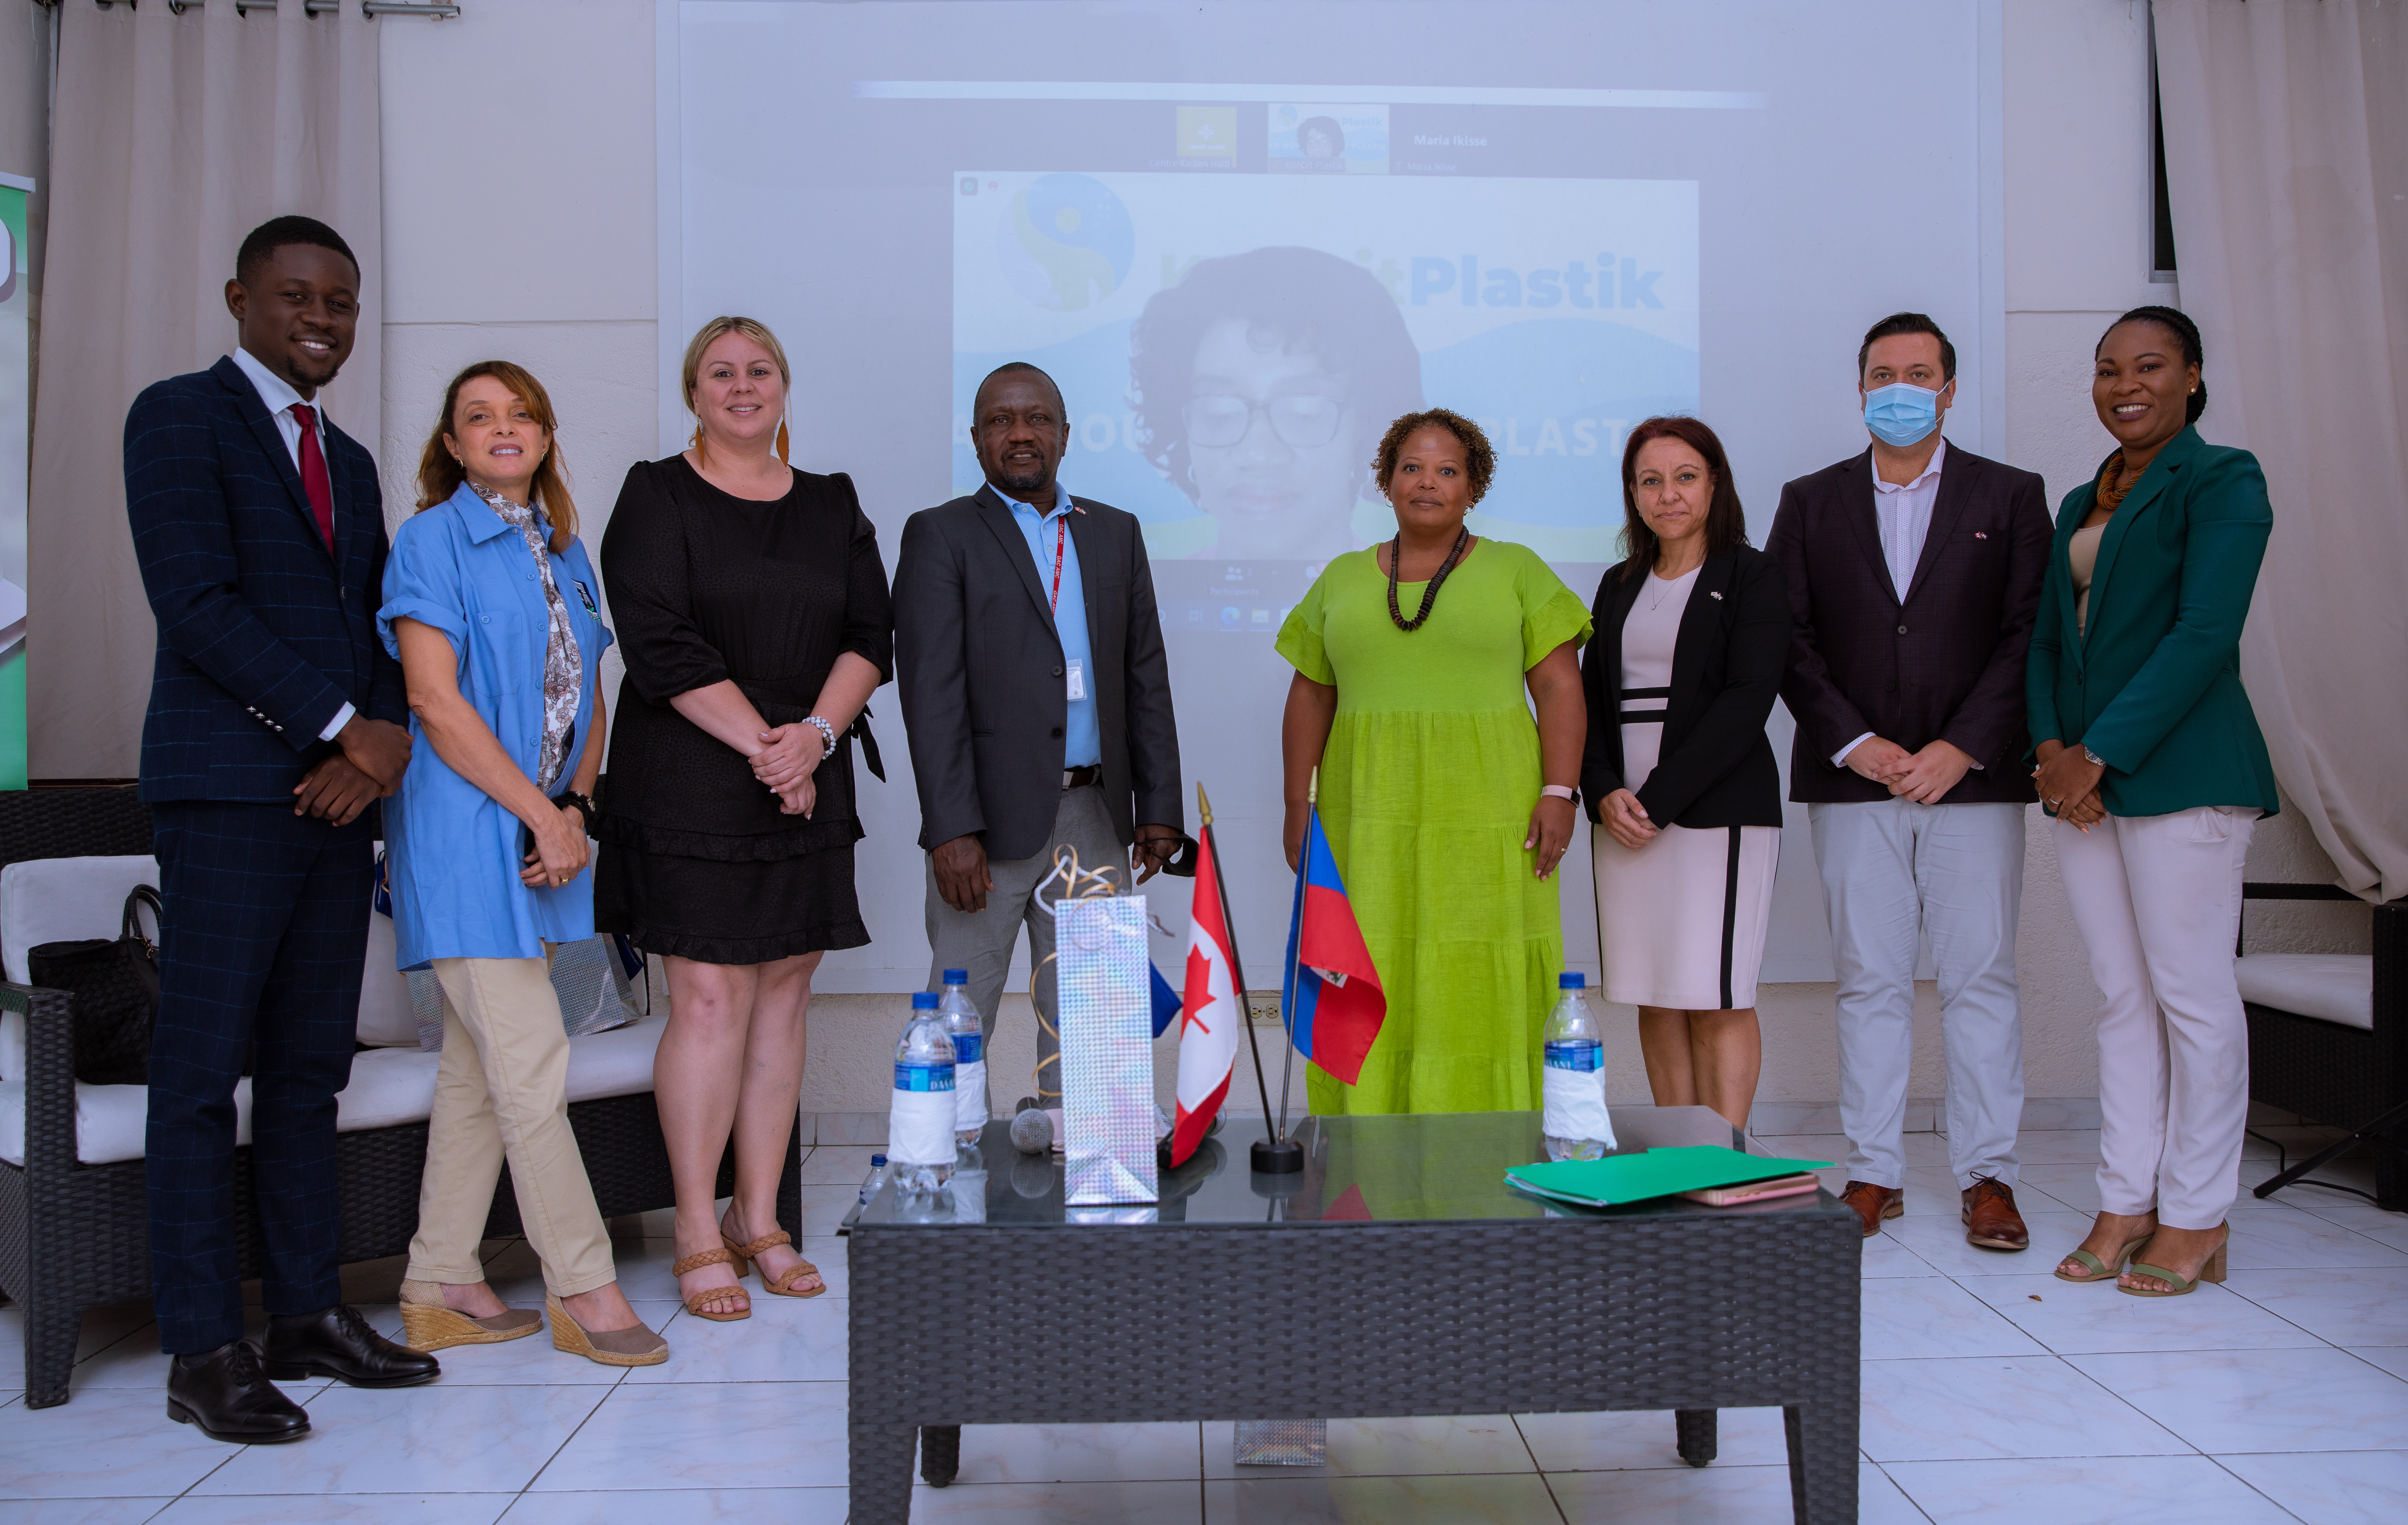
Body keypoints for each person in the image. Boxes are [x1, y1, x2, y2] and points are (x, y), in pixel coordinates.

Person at [125, 215, 437, 1443]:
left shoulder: (350, 458)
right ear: (241, 297)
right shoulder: (176, 417)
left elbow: (379, 619)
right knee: (201, 1078)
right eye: (300, 296)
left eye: (343, 303)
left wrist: (378, 741)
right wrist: (336, 727)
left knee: (311, 1072)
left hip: (334, 805)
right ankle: (202, 1346)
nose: (324, 319)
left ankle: (306, 1312)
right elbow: (193, 602)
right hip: (225, 797)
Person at [595, 316, 891, 1321]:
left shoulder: (832, 502)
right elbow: (658, 642)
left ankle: (756, 1216)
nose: (741, 384)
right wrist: (770, 745)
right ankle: (691, 1221)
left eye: (759, 368)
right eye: (720, 372)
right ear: (693, 393)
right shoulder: (654, 493)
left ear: (784, 386)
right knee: (711, 997)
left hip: (808, 767)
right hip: (689, 776)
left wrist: (811, 734)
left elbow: (869, 633)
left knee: (782, 997)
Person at [380, 362, 666, 1366]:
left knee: (476, 1070)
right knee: (534, 1068)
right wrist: (538, 814)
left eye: (522, 414)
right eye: (479, 417)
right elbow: (436, 702)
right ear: (452, 446)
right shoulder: (429, 541)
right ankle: (582, 1285)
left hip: (551, 839)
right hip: (466, 845)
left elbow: (590, 692)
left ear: (544, 435)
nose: (504, 428)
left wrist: (575, 807)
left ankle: (440, 1278)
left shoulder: (567, 550)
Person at [1766, 312, 2054, 1248]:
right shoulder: (1809, 500)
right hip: (1855, 783)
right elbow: (1788, 639)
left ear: (1949, 388)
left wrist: (1959, 746)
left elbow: (2029, 633)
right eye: (1883, 373)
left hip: (1972, 781)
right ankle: (1874, 1171)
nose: (1900, 387)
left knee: (1980, 981)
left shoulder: (2010, 494)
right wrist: (1857, 742)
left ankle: (1988, 1177)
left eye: (1919, 372)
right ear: (1859, 389)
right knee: (1869, 982)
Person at [2030, 306, 2278, 1297]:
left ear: (2191, 376)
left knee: (2192, 998)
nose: (2123, 383)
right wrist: (2052, 752)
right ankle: (2124, 1197)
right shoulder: (2080, 499)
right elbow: (2052, 638)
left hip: (2184, 777)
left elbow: (2203, 633)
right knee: (2121, 998)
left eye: (2147, 365)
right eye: (2105, 368)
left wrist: (2098, 753)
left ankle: (2196, 1212)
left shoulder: (2223, 479)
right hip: (2086, 783)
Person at [1277, 408, 1591, 1114]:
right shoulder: (1341, 578)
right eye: (1411, 467)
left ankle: (1495, 1133)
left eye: (1448, 470)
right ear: (1385, 482)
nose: (1428, 483)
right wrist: (1298, 804)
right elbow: (1310, 695)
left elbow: (1560, 687)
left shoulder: (1518, 570)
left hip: (1495, 818)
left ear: (1473, 486)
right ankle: (1365, 1137)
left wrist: (1560, 792)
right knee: (1373, 962)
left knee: (1481, 964)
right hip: (1366, 818)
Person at [895, 362, 1185, 1117]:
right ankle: (952, 1167)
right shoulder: (941, 534)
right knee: (962, 1019)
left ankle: (1084, 1162)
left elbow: (1143, 675)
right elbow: (931, 695)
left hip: (1093, 817)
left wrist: (1157, 807)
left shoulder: (1114, 532)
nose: (1019, 434)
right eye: (1000, 420)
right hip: (982, 829)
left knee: (1093, 1016)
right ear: (976, 438)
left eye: (1035, 419)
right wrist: (950, 827)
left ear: (1063, 434)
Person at [1581, 417, 1788, 1129]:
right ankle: (1680, 1152)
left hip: (1715, 814)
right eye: (1650, 480)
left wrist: (1655, 801)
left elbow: (1746, 701)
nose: (1667, 494)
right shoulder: (1619, 583)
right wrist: (1605, 790)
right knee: (1656, 992)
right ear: (1633, 496)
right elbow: (1592, 702)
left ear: (1715, 484)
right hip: (1623, 818)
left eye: (1685, 477)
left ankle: (1723, 1158)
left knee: (1715, 993)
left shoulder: (1753, 575)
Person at [1129, 247, 1422, 561]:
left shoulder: (1413, 602)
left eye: (1303, 413)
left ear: (1367, 428)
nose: (1258, 454)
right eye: (1220, 412)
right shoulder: (1152, 603)